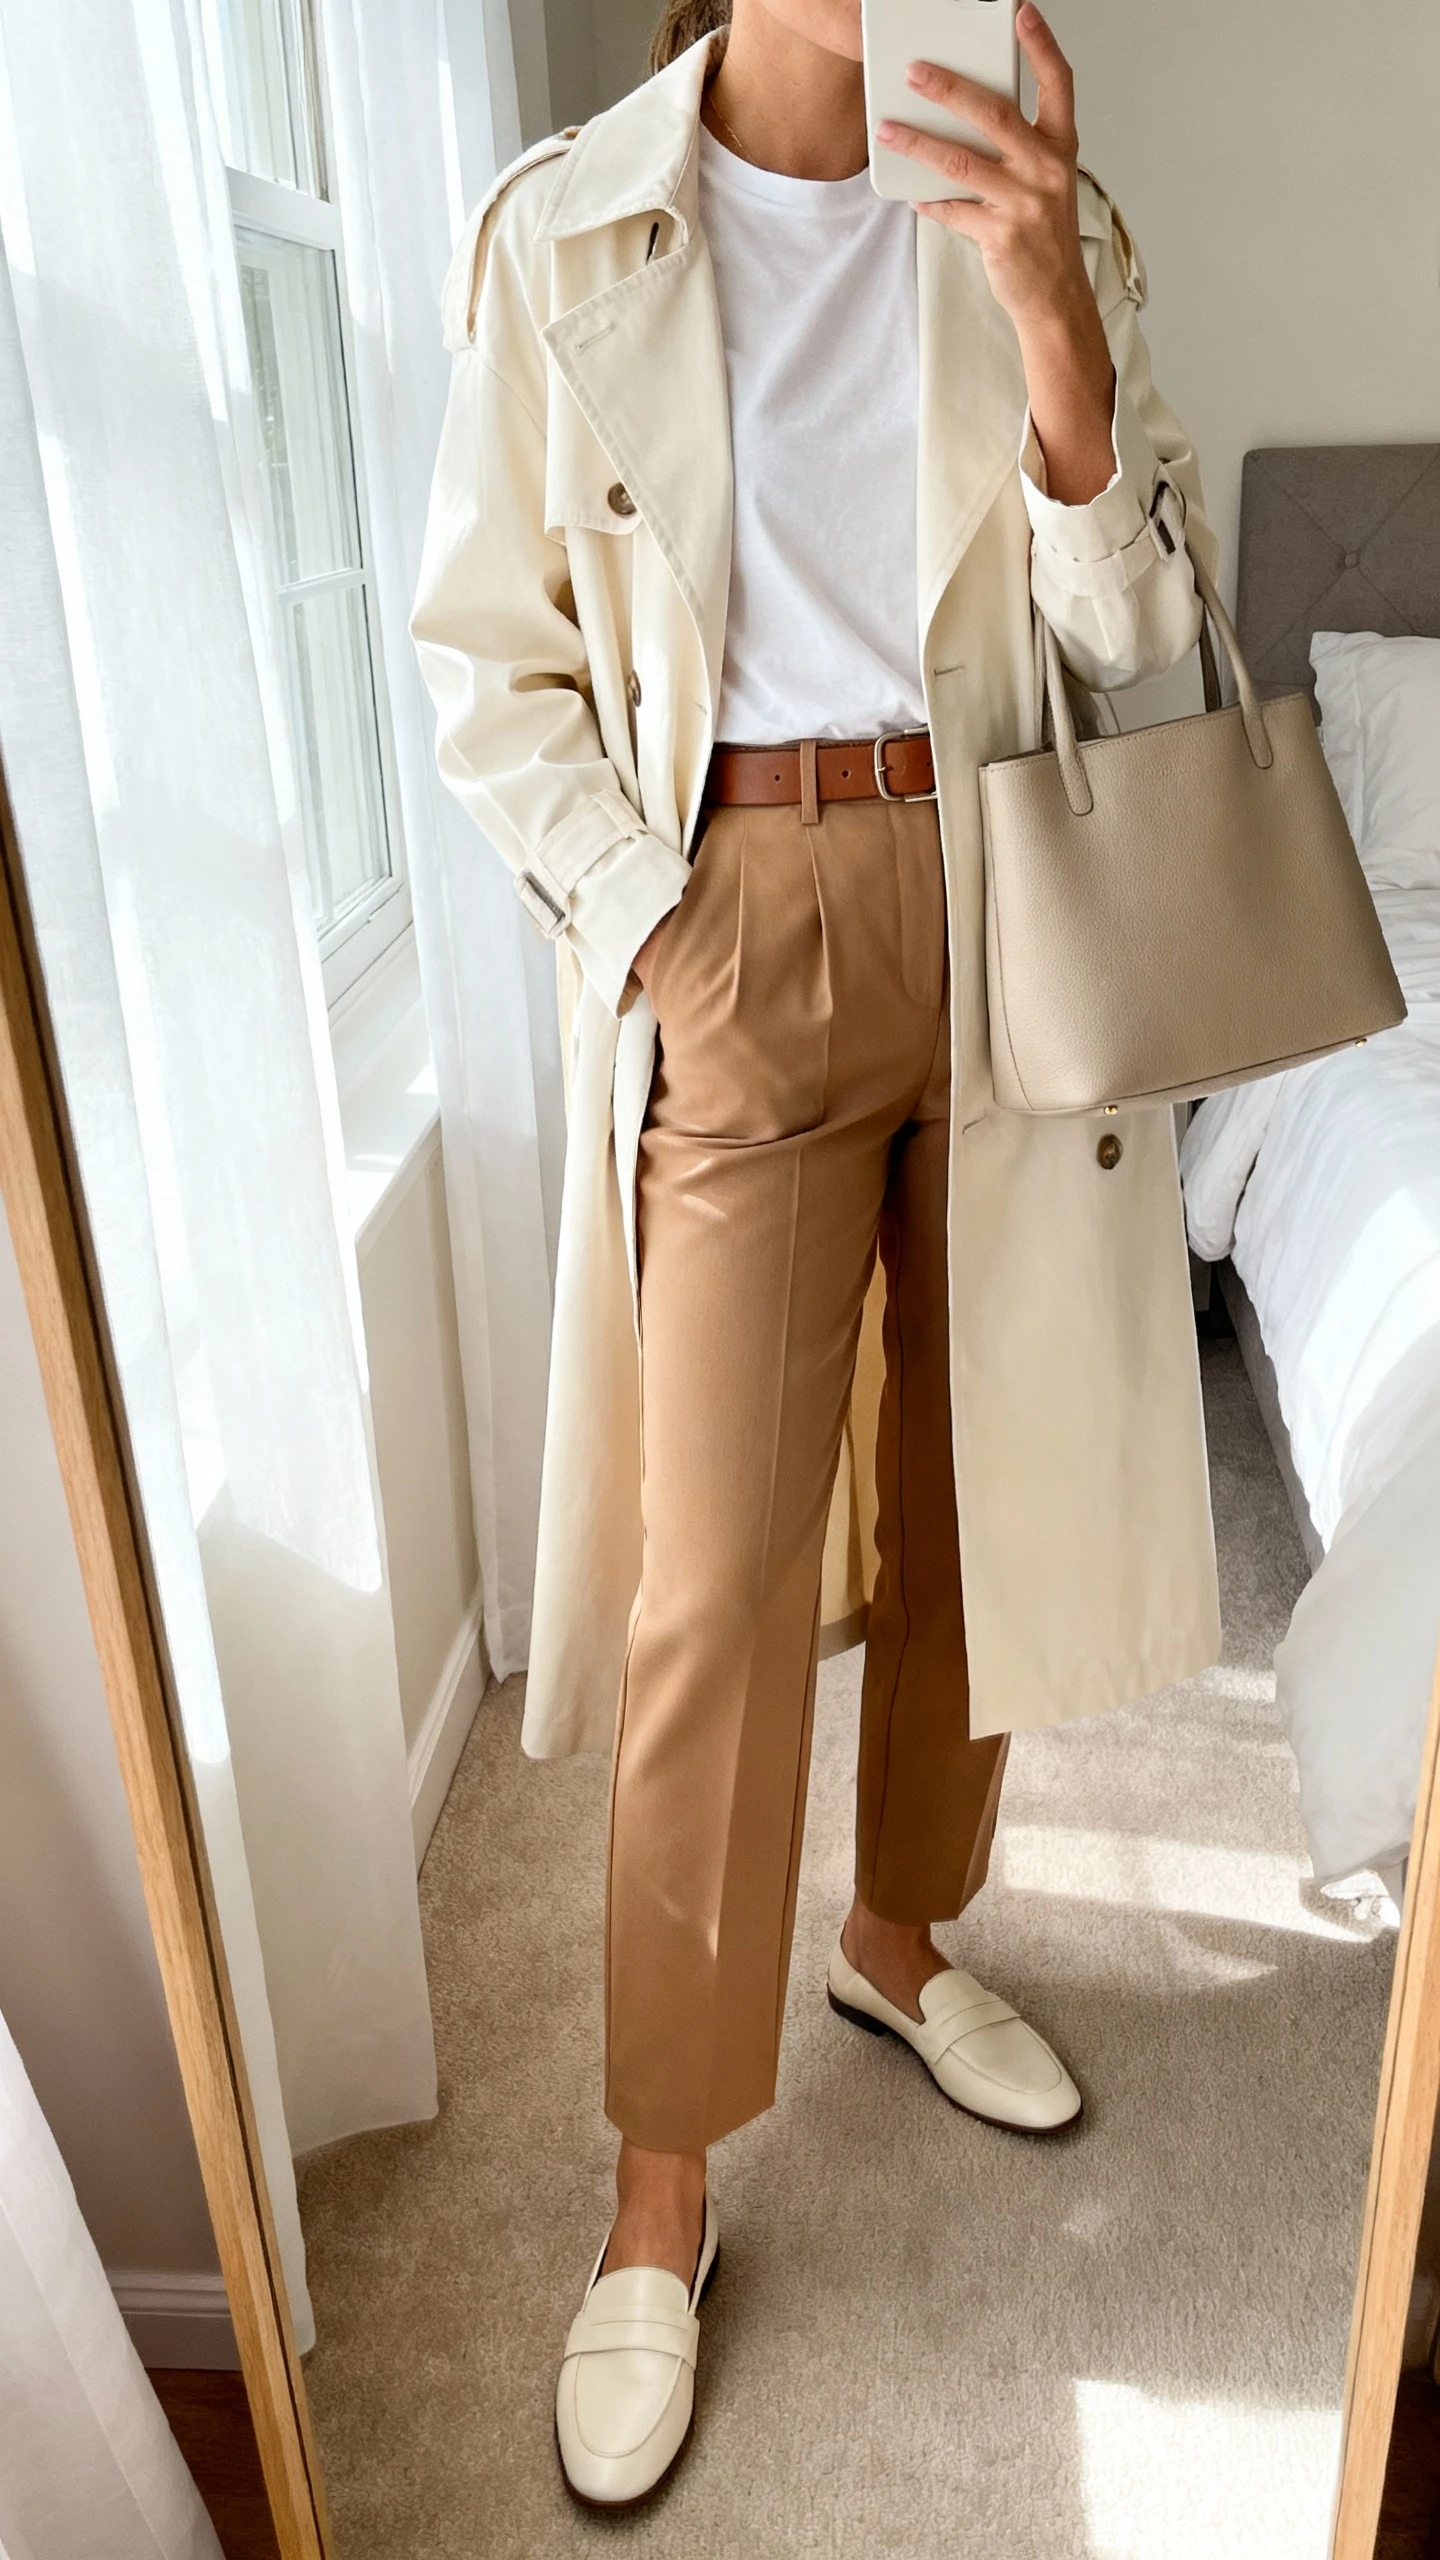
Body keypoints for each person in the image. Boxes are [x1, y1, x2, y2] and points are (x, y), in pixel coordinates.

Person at [412, 0, 1221, 2509]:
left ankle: (900, 1934)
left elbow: (1141, 653)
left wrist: (1052, 307)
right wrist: (663, 933)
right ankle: (660, 2187)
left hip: (1001, 897)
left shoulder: (1035, 204)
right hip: (735, 916)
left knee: (985, 1487)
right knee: (715, 1583)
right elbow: (488, 661)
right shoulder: (570, 225)